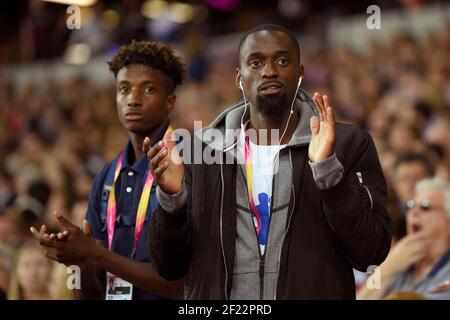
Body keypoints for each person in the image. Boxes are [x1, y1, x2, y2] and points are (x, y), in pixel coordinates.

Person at [147, 24, 392, 299]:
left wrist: (327, 173)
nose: (270, 71)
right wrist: (172, 199)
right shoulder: (199, 152)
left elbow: (371, 252)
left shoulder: (347, 144)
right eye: (256, 62)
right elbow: (168, 266)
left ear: (300, 73)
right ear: (239, 77)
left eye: (283, 61)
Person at [31, 40, 184, 300]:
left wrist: (96, 254)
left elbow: (186, 286)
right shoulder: (105, 177)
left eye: (148, 89)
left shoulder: (191, 163)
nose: (133, 99)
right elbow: (92, 292)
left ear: (169, 102)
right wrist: (77, 261)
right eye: (124, 89)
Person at [357, 177, 450, 300]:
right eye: (410, 206)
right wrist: (387, 267)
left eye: (425, 206)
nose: (414, 212)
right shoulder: (397, 265)